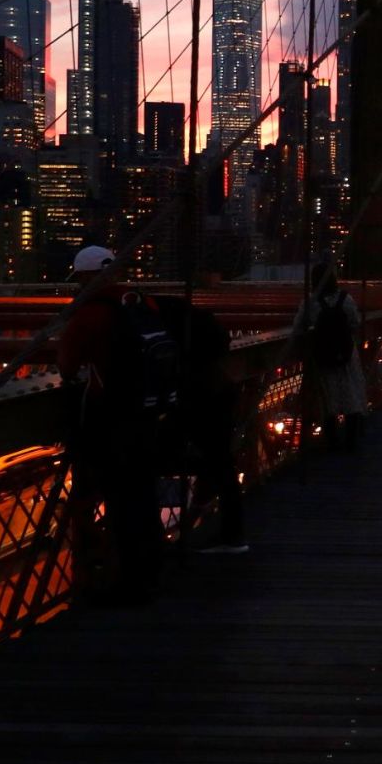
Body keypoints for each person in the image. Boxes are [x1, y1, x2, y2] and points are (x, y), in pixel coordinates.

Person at [57, 244, 167, 602]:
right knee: (145, 492)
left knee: (118, 499)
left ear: (88, 277)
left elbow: (67, 366)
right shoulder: (142, 302)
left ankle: (125, 578)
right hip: (150, 412)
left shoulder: (89, 314)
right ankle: (155, 566)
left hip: (112, 417)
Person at [154, 287, 246, 555]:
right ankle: (226, 531)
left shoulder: (152, 319)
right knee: (220, 463)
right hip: (216, 394)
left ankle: (156, 539)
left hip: (197, 398)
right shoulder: (185, 317)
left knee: (152, 456)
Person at [292, 260, 367, 450]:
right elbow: (355, 323)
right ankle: (351, 440)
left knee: (328, 397)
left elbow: (298, 327)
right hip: (347, 357)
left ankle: (332, 441)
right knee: (350, 395)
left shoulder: (311, 303)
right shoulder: (346, 299)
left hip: (323, 357)